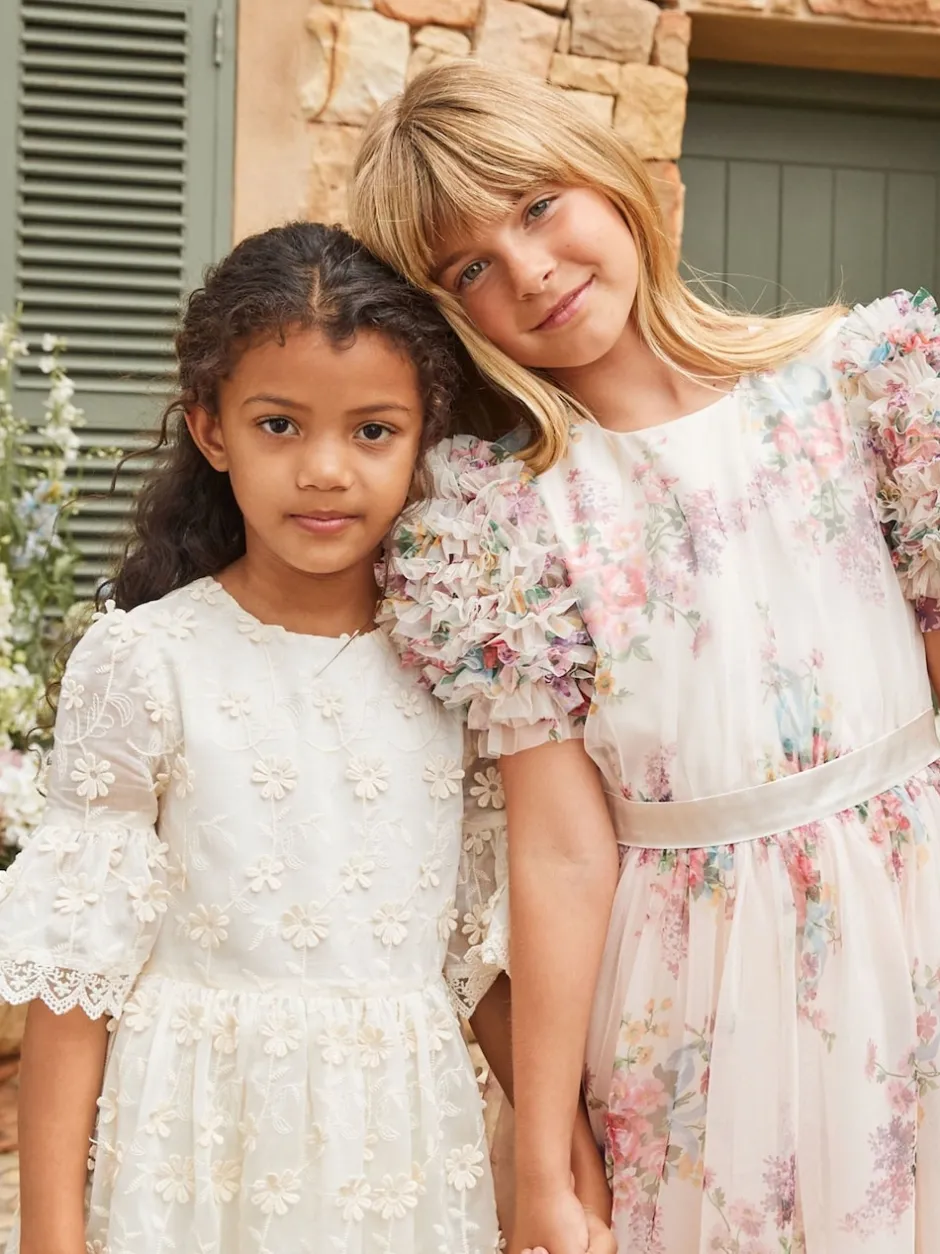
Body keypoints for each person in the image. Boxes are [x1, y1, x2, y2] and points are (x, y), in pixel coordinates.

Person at [350, 61, 940, 1254]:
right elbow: (562, 854)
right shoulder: (500, 523)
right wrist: (543, 1161)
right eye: (469, 269)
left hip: (912, 910)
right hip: (690, 994)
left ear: (612, 181)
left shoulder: (859, 385)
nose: (529, 270)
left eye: (536, 206)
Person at [0, 221, 592, 1254]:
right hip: (195, 1159)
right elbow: (76, 981)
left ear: (423, 437)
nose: (325, 470)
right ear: (212, 430)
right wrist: (52, 1239)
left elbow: (474, 952)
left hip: (397, 1156)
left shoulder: (451, 668)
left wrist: (569, 1157)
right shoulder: (145, 662)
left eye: (372, 431)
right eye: (279, 425)